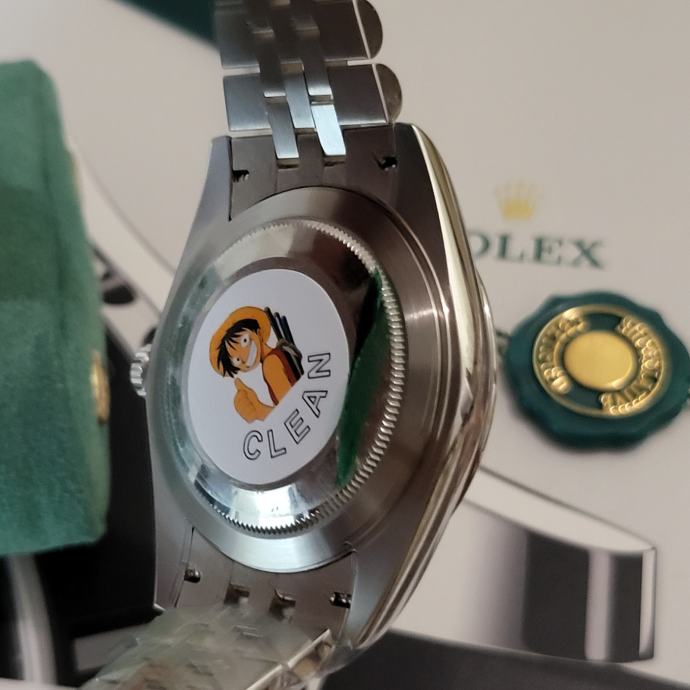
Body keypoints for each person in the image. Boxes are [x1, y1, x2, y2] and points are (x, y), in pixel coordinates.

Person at [209, 306, 303, 422]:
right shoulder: (278, 353)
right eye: (237, 360)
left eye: (244, 341)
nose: (244, 357)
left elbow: (291, 410)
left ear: (258, 332)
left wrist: (259, 411)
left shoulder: (270, 364)